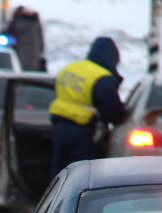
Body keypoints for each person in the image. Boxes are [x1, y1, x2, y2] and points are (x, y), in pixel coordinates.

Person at [48, 36, 126, 176]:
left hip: (58, 126)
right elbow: (113, 112)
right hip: (82, 130)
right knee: (83, 173)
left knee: (60, 171)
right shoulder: (101, 78)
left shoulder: (69, 68)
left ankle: (57, 197)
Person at [4, 5, 45, 71]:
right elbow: (41, 41)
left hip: (22, 54)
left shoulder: (16, 23)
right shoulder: (35, 23)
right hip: (30, 55)